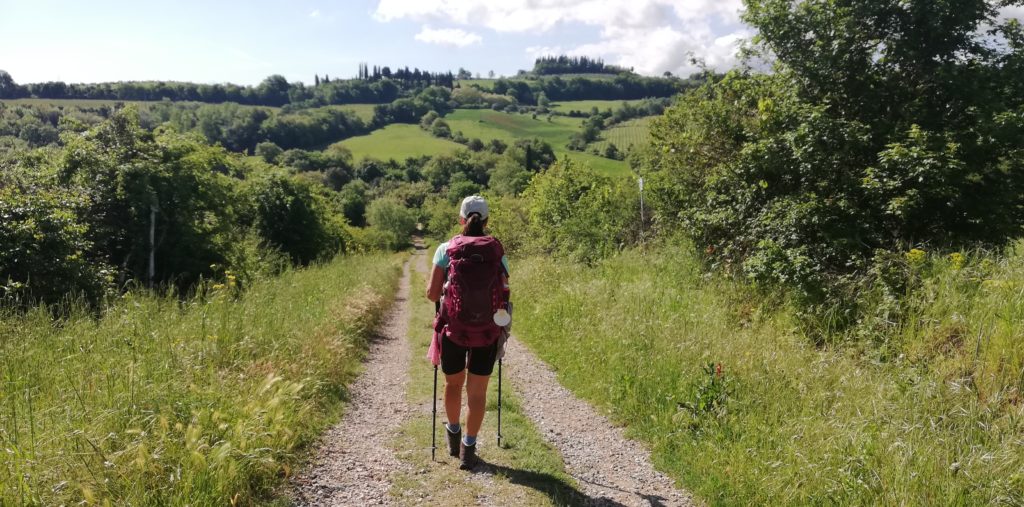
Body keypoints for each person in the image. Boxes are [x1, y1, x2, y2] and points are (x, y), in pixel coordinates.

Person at [426, 195, 510, 470]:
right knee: (477, 392)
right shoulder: (497, 250)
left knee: (453, 384)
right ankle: (469, 449)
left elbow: (431, 294)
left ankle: (453, 434)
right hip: (487, 331)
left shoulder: (445, 249)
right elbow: (504, 289)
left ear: (461, 219)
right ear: (486, 221)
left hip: (453, 330)